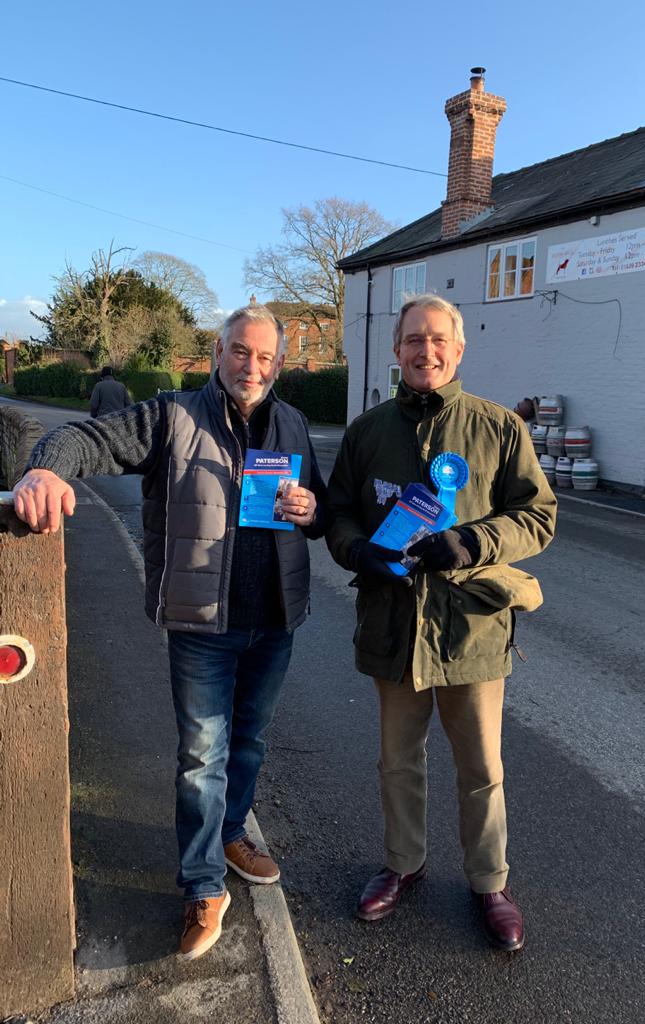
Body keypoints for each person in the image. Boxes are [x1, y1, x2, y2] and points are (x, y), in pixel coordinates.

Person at [13, 305, 327, 960]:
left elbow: (317, 510)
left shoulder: (292, 422)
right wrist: (45, 467)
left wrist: (310, 508)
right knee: (201, 757)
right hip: (202, 624)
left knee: (249, 741)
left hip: (274, 618)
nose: (254, 366)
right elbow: (87, 440)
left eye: (267, 358)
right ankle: (203, 884)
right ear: (218, 352)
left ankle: (233, 833)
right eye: (242, 352)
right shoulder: (172, 415)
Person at [325, 295, 556, 952]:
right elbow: (338, 513)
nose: (425, 351)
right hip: (393, 628)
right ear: (396, 349)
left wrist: (473, 544)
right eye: (412, 340)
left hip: (472, 630)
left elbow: (539, 516)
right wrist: (354, 549)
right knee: (397, 762)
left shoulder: (499, 429)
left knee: (482, 767)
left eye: (437, 340)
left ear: (458, 350)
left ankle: (490, 881)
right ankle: (403, 863)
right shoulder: (367, 432)